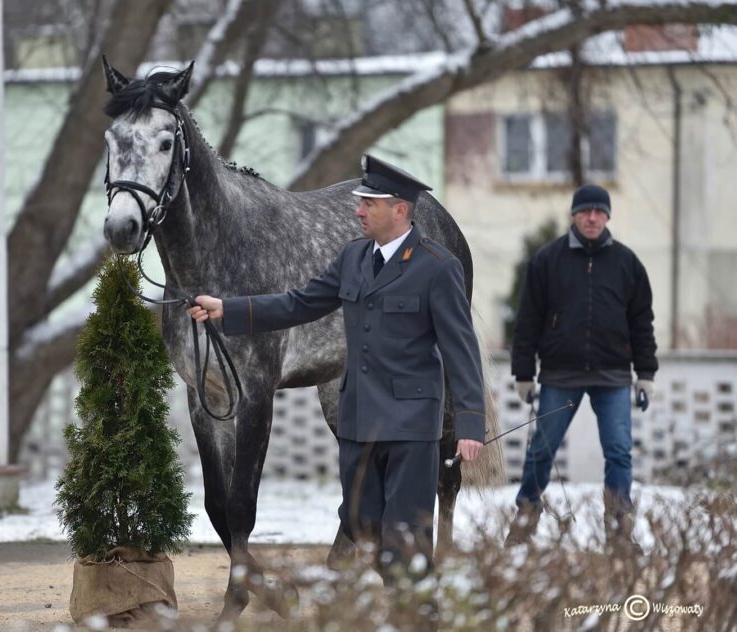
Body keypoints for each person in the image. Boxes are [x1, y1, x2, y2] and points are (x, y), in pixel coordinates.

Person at [188, 154, 486, 580]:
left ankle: (416, 616)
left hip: (410, 428)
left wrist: (472, 424)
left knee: (404, 544)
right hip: (359, 422)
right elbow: (298, 303)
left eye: (369, 203)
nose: (358, 210)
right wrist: (226, 310)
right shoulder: (353, 259)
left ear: (400, 209)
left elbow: (461, 349)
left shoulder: (438, 267)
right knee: (360, 524)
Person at [506, 183, 658, 554]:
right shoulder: (547, 260)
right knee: (540, 451)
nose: (592, 217)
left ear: (607, 216)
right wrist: (523, 372)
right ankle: (524, 525)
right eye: (585, 211)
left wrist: (647, 373)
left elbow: (642, 322)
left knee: (619, 453)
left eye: (599, 211)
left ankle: (620, 535)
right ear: (573, 215)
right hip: (561, 374)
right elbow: (527, 320)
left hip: (613, 376)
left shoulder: (628, 263)